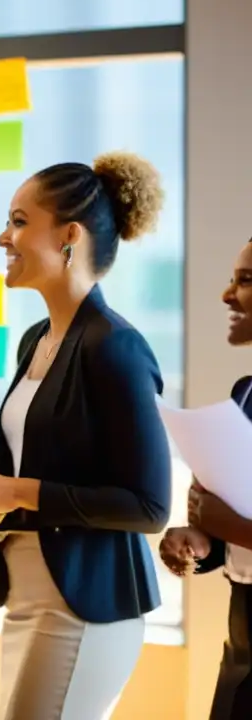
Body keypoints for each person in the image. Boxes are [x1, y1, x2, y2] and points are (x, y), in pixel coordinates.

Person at [0, 153, 173, 720]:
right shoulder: (35, 340)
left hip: (86, 604)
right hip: (28, 592)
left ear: (69, 235)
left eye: (20, 221)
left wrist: (18, 493)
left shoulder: (114, 346)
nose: (4, 236)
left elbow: (148, 507)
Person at [160, 238, 252, 719]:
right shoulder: (245, 392)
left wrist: (230, 525)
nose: (227, 295)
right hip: (242, 627)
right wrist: (201, 538)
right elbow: (231, 509)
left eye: (246, 280)